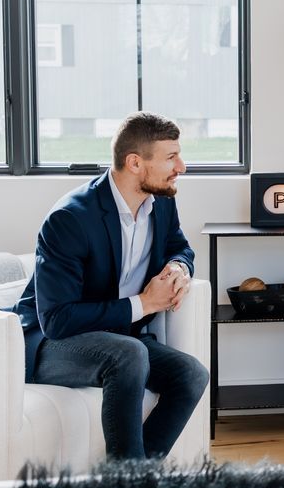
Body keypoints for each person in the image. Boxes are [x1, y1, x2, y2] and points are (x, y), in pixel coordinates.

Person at [13, 112, 209, 460]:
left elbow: (179, 246)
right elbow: (56, 320)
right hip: (52, 343)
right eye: (170, 157)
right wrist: (144, 304)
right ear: (135, 163)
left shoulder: (161, 201)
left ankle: (134, 480)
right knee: (128, 353)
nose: (182, 166)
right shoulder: (71, 219)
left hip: (120, 336)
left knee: (190, 374)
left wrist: (179, 266)